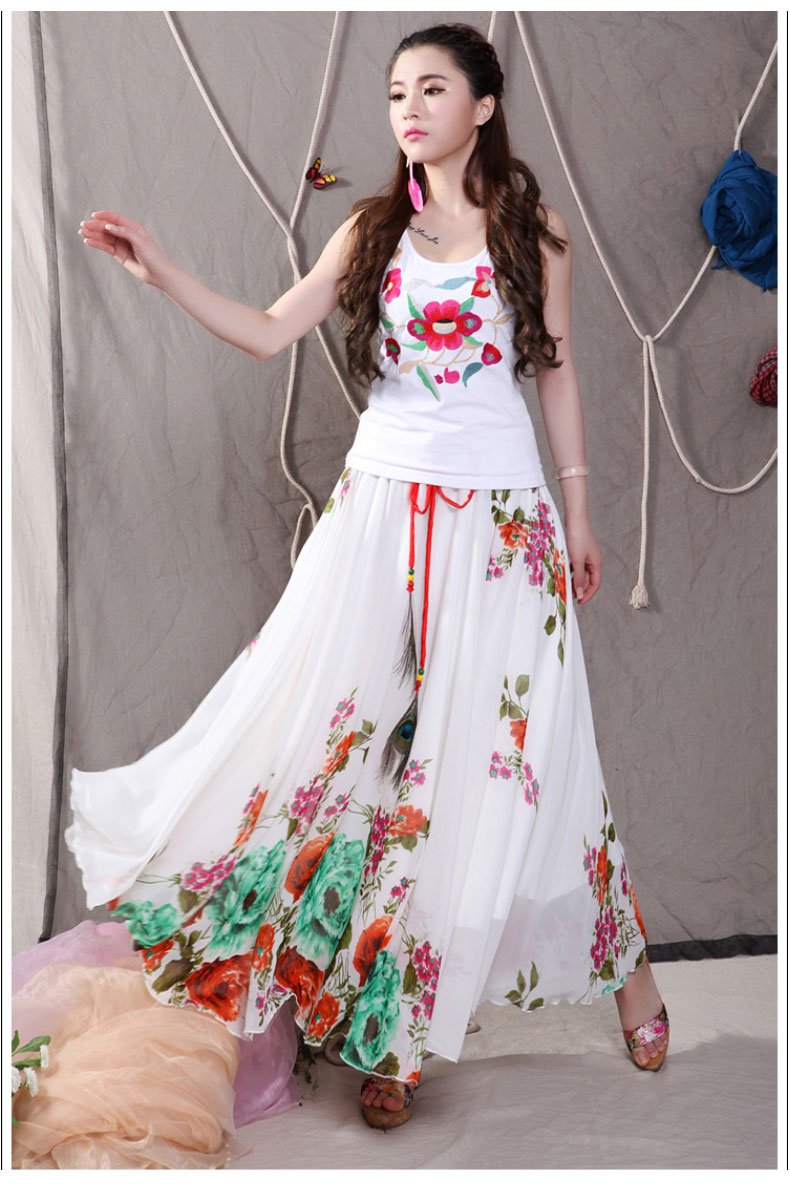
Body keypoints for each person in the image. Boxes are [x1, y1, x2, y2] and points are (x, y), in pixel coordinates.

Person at [70, 22, 669, 1134]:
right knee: (362, 756)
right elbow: (267, 332)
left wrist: (582, 513)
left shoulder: (532, 232)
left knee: (526, 754)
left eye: (432, 88)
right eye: (396, 91)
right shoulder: (370, 229)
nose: (409, 107)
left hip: (502, 527)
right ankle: (397, 1028)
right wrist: (164, 272)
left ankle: (629, 973)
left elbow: (556, 372)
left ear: (483, 106)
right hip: (381, 520)